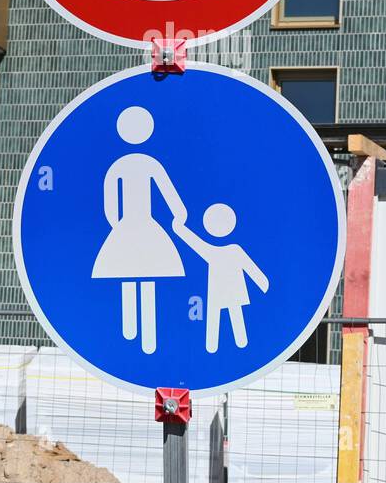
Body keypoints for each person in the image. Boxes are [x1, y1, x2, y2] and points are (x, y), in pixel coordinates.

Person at [93, 106, 186, 355]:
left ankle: (133, 332)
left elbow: (109, 205)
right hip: (144, 225)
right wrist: (180, 214)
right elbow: (169, 194)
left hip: (128, 226)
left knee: (130, 274)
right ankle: (143, 339)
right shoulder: (148, 163)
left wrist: (118, 227)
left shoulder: (119, 166)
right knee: (147, 276)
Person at [172, 203, 269, 353]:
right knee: (225, 315)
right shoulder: (230, 250)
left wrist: (179, 228)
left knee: (224, 316)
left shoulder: (218, 251)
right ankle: (221, 346)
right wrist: (262, 283)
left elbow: (250, 267)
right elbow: (251, 268)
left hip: (224, 290)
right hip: (224, 290)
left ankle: (220, 346)